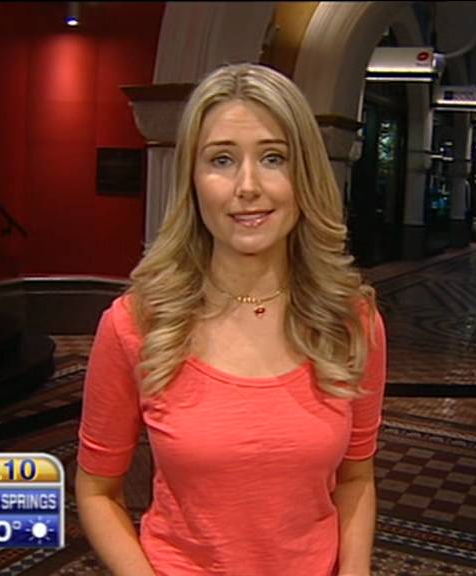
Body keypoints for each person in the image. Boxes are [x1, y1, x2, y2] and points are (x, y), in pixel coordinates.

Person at [75, 62, 387, 576]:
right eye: (221, 159)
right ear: (193, 180)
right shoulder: (136, 324)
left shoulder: (352, 320)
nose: (247, 186)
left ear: (305, 175)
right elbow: (97, 490)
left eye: (273, 158)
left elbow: (356, 480)